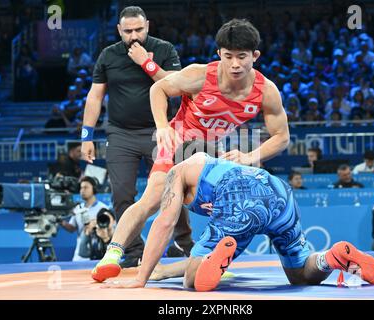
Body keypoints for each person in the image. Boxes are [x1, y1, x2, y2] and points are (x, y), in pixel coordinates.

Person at [91, 18, 291, 282]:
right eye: (228, 56)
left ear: (255, 56)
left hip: (210, 153)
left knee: (234, 211)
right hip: (177, 144)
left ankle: (175, 267)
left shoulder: (266, 91)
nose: (234, 64)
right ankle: (112, 254)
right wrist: (162, 127)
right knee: (152, 200)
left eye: (242, 57)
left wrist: (251, 156)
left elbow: (282, 136)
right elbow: (158, 88)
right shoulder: (200, 75)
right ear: (219, 53)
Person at [102, 143, 374, 290]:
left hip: (238, 198)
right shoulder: (215, 165)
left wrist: (142, 276)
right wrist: (162, 271)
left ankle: (216, 261)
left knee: (192, 279)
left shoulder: (179, 170)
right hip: (278, 192)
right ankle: (330, 258)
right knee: (299, 273)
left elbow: (164, 222)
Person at [81, 6, 190, 267]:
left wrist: (146, 62)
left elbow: (176, 87)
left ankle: (184, 244)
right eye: (127, 31)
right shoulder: (108, 55)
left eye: (138, 29)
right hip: (120, 134)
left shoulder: (164, 50)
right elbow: (95, 97)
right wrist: (86, 136)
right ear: (119, 30)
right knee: (121, 194)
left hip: (160, 132)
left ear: (148, 26)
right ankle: (132, 251)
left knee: (173, 189)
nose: (133, 36)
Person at [59, 176, 108, 261]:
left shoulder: (103, 209)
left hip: (98, 252)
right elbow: (72, 228)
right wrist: (60, 221)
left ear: (94, 189)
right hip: (79, 254)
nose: (82, 190)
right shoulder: (78, 208)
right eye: (81, 188)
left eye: (86, 187)